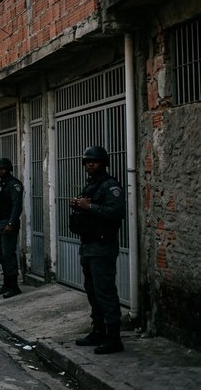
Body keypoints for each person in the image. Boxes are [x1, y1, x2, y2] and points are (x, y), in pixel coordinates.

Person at [69, 146, 125, 354]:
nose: (90, 164)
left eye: (94, 161)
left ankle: (114, 338)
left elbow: (116, 212)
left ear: (103, 163)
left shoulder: (110, 186)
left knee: (105, 293)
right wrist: (78, 205)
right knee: (92, 293)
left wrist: (89, 207)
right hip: (88, 245)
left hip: (103, 247)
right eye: (87, 162)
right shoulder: (91, 186)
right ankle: (98, 331)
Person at [0, 157, 24, 299]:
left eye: (2, 169)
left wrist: (11, 223)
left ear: (8, 169)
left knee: (8, 255)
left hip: (8, 223)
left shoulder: (14, 184)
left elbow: (17, 206)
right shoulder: (0, 185)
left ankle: (14, 287)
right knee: (1, 256)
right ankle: (6, 284)